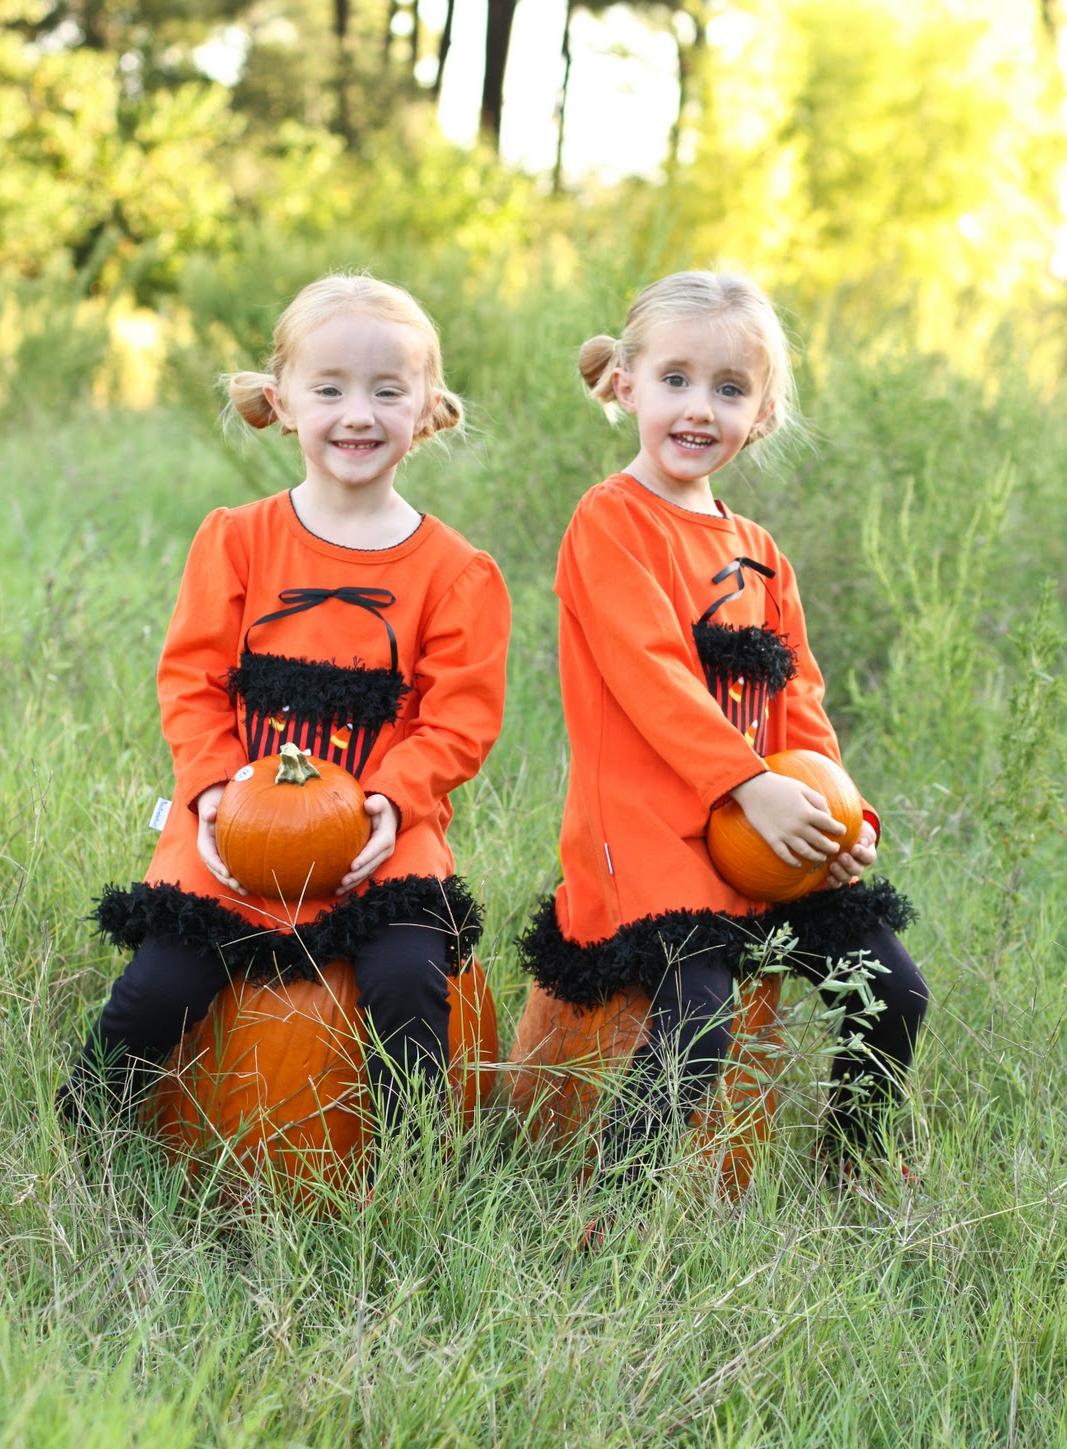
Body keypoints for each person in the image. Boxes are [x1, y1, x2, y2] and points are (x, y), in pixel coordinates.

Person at [61, 271, 510, 1144]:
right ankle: (88, 1139)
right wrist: (213, 794)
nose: (358, 414)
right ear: (284, 402)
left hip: (382, 832)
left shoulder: (456, 573)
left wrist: (391, 802)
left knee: (410, 978)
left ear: (425, 410)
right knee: (162, 984)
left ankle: (412, 1163)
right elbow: (192, 685)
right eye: (330, 388)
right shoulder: (237, 540)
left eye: (387, 391)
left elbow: (458, 722)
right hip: (236, 825)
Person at [517, 269, 927, 1185]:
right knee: (698, 1020)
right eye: (675, 380)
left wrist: (843, 824)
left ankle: (847, 1173)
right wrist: (746, 784)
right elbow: (653, 678)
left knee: (892, 992)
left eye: (728, 389)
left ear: (762, 414)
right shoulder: (609, 524)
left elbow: (801, 707)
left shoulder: (761, 556)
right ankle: (607, 1216)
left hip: (770, 838)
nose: (697, 409)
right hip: (652, 840)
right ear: (625, 385)